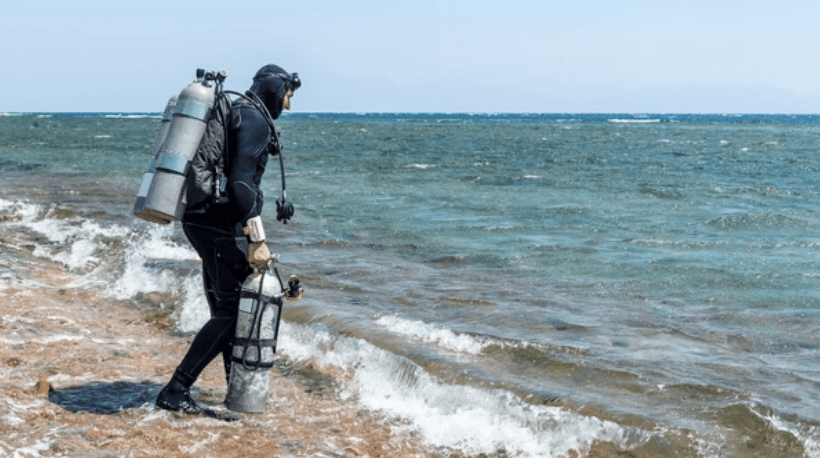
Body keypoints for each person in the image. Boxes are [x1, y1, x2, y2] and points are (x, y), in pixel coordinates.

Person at [156, 64, 301, 416]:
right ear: (275, 89)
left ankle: (233, 388)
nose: (289, 104)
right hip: (218, 222)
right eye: (288, 94)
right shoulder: (253, 120)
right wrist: (256, 237)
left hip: (201, 217)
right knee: (232, 309)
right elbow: (239, 188)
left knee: (225, 308)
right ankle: (175, 390)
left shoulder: (241, 112)